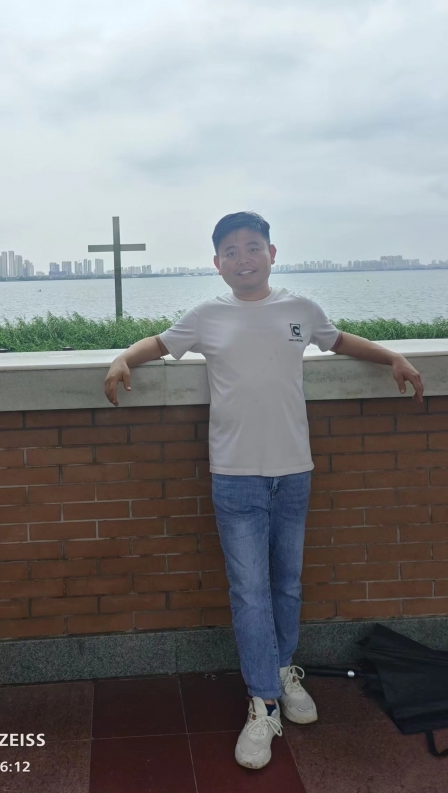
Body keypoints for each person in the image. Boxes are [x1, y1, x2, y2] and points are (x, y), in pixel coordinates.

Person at [103, 211, 424, 770]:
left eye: (253, 247)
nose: (243, 258)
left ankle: (281, 670)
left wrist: (393, 356)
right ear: (217, 263)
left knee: (288, 585)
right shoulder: (207, 316)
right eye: (231, 251)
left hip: (293, 472)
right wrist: (121, 359)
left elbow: (339, 341)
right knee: (250, 591)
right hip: (234, 477)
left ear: (272, 254)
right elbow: (157, 344)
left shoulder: (300, 310)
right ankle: (263, 702)